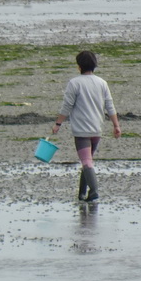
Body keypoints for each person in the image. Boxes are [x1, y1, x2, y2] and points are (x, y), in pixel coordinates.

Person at [52, 50, 122, 203]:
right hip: (97, 129)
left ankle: (95, 191)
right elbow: (110, 106)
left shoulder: (74, 83)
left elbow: (67, 106)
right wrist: (116, 125)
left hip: (82, 131)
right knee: (87, 160)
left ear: (79, 66)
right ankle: (82, 194)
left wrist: (58, 123)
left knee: (86, 162)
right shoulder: (102, 83)